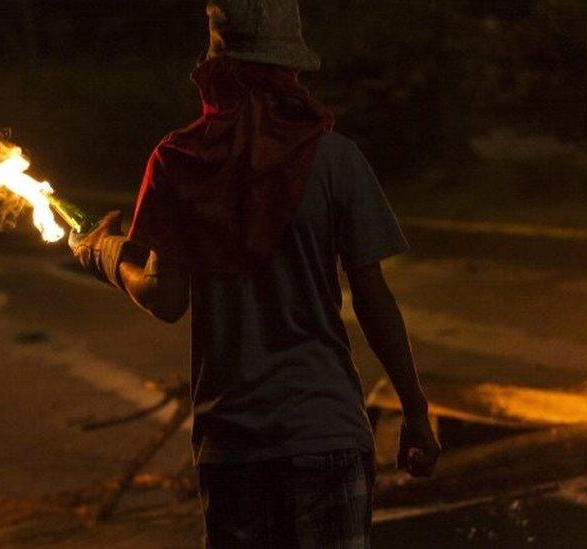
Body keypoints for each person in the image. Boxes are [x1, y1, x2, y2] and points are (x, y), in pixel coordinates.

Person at [69, 0, 441, 547]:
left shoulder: (177, 161)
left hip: (234, 446)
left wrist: (104, 254)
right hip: (327, 431)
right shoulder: (335, 160)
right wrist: (414, 409)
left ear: (215, 68)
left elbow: (165, 297)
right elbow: (373, 297)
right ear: (290, 70)